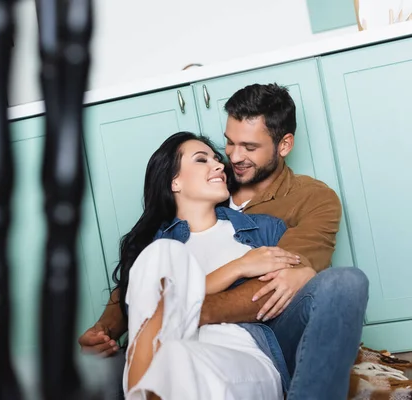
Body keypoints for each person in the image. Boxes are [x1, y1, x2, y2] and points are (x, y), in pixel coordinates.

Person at [79, 83, 369, 399]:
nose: (231, 157)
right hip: (179, 346)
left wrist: (180, 307)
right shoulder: (166, 234)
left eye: (249, 147)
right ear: (174, 182)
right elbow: (136, 285)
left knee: (345, 282)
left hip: (260, 335)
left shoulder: (295, 210)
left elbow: (276, 285)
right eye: (228, 144)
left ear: (283, 145)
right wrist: (105, 329)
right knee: (163, 273)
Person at [118, 131, 297, 399]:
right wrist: (238, 267)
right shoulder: (154, 249)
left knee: (177, 361)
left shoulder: (264, 230)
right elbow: (143, 312)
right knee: (175, 353)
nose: (219, 165)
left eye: (217, 159)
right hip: (174, 352)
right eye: (202, 160)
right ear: (174, 182)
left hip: (244, 355)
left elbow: (283, 293)